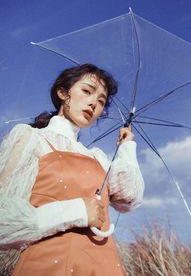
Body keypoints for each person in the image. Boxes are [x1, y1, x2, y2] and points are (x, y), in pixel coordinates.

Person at [0, 63, 144, 276]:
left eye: (102, 101)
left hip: (104, 265)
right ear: (63, 93)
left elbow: (129, 197)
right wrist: (77, 211)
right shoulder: (31, 138)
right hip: (50, 265)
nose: (94, 102)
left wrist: (127, 148)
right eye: (87, 91)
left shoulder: (97, 157)